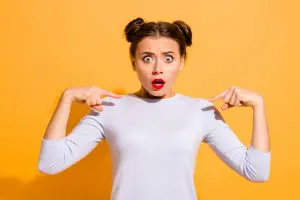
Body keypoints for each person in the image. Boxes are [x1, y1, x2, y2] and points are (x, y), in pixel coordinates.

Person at [37, 17, 271, 200]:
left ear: (181, 62)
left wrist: (258, 105)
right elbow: (50, 163)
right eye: (147, 58)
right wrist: (66, 98)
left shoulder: (201, 111)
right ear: (133, 63)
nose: (157, 68)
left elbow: (256, 171)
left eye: (168, 58)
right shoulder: (109, 108)